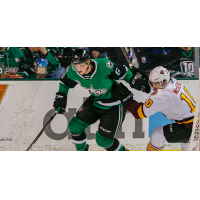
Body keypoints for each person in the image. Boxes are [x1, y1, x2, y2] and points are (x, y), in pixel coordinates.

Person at [53, 49, 150, 151]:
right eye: (76, 65)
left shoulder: (104, 65)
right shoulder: (73, 71)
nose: (78, 69)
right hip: (96, 101)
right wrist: (61, 95)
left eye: (81, 65)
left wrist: (133, 80)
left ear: (88, 62)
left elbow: (123, 72)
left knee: (103, 140)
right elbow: (64, 82)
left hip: (115, 105)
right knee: (74, 127)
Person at [111, 66, 195, 151]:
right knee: (188, 148)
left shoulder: (162, 95)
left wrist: (126, 98)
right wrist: (144, 77)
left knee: (158, 134)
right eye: (151, 83)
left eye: (155, 84)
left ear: (164, 82)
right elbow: (158, 83)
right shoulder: (173, 82)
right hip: (194, 124)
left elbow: (139, 113)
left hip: (190, 127)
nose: (153, 86)